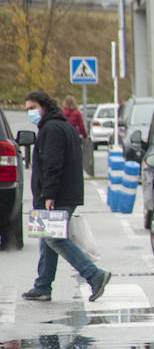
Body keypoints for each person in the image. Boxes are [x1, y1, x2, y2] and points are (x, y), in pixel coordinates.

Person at [21, 91, 112, 303]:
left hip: (57, 194)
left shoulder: (51, 128)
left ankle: (94, 275)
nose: (30, 113)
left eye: (33, 108)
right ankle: (42, 285)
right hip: (60, 192)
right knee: (47, 238)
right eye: (27, 110)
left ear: (44, 106)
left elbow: (53, 164)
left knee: (54, 238)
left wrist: (49, 194)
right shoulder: (58, 125)